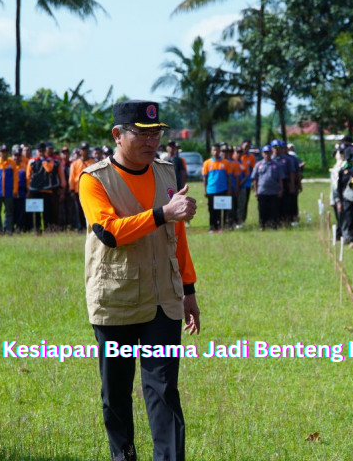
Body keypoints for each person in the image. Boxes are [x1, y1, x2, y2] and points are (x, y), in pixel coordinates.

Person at [79, 100, 200, 461]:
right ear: (118, 135)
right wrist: (163, 213)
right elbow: (109, 232)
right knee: (115, 390)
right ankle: (124, 455)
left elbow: (177, 237)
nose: (152, 142)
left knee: (164, 388)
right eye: (142, 134)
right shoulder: (94, 179)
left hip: (165, 299)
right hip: (115, 299)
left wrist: (189, 291)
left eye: (157, 134)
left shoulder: (167, 172)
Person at [202, 143, 232, 233]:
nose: (215, 152)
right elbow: (205, 177)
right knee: (212, 210)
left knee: (221, 210)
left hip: (222, 190)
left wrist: (229, 189)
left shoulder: (225, 162)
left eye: (217, 150)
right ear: (211, 151)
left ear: (220, 151)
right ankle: (212, 227)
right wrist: (205, 189)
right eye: (214, 150)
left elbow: (229, 177)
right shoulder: (207, 163)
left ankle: (221, 227)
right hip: (211, 190)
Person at [252, 144, 284, 229]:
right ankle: (262, 225)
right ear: (262, 154)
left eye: (269, 153)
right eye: (265, 153)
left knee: (274, 210)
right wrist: (255, 191)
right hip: (262, 191)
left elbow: (280, 179)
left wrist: (281, 190)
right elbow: (255, 179)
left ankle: (274, 225)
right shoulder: (258, 165)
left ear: (271, 153)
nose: (267, 155)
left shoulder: (277, 165)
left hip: (273, 191)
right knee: (262, 209)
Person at [0, 144, 18, 235]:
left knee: (9, 211)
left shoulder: (12, 163)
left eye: (5, 152)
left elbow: (15, 178)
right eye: (2, 152)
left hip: (9, 191)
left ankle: (8, 229)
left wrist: (15, 190)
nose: (4, 154)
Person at [69, 143, 96, 232]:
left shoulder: (94, 162)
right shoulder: (75, 164)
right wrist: (72, 190)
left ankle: (91, 226)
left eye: (86, 149)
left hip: (91, 190)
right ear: (80, 151)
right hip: (78, 190)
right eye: (83, 149)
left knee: (90, 209)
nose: (85, 151)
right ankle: (79, 227)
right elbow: (72, 178)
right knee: (78, 210)